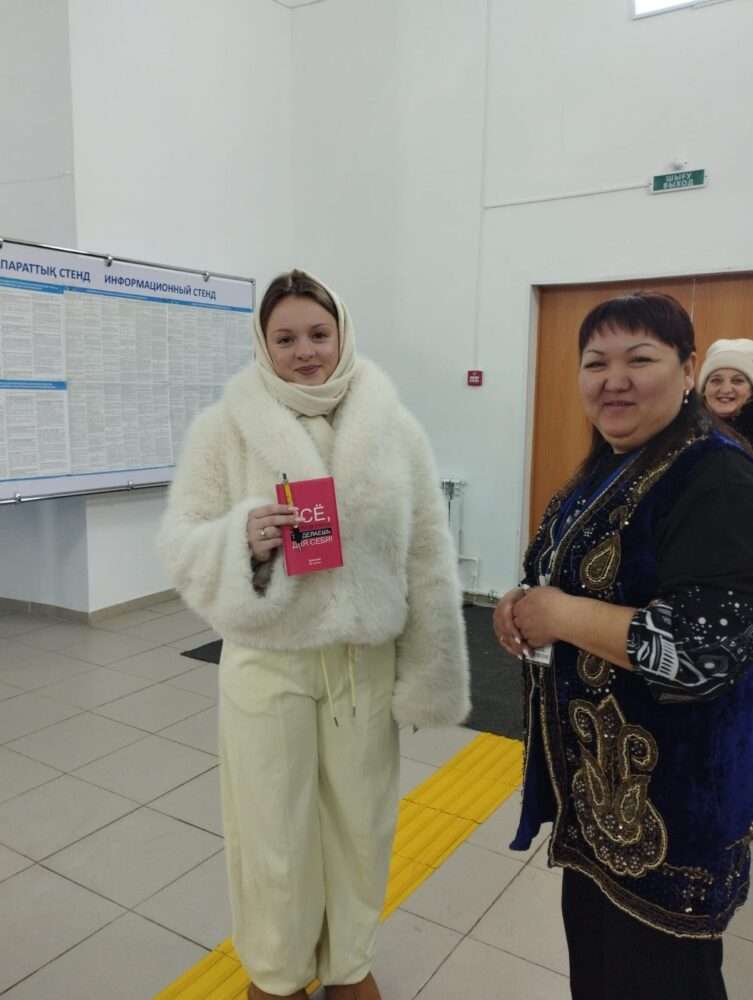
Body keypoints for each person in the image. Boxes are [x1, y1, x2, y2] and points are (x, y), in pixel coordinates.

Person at [159, 269, 470, 1000]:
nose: (305, 352)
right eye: (286, 338)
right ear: (263, 344)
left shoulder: (393, 429)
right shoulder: (224, 429)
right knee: (272, 828)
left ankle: (348, 963)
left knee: (361, 826)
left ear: (342, 334)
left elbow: (427, 552)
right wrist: (243, 539)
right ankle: (277, 972)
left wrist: (429, 671)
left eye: (318, 334)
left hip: (363, 662)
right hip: (269, 661)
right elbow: (181, 541)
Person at [493, 292, 753, 1000]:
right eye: (595, 363)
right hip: (602, 796)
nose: (614, 380)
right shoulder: (617, 461)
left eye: (639, 359)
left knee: (661, 978)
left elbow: (701, 653)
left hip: (672, 807)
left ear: (688, 369)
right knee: (602, 970)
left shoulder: (715, 474)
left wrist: (558, 613)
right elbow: (569, 569)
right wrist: (523, 602)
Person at [699, 337, 753, 445]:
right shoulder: (683, 432)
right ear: (704, 389)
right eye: (716, 380)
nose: (726, 389)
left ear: (751, 391)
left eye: (737, 381)